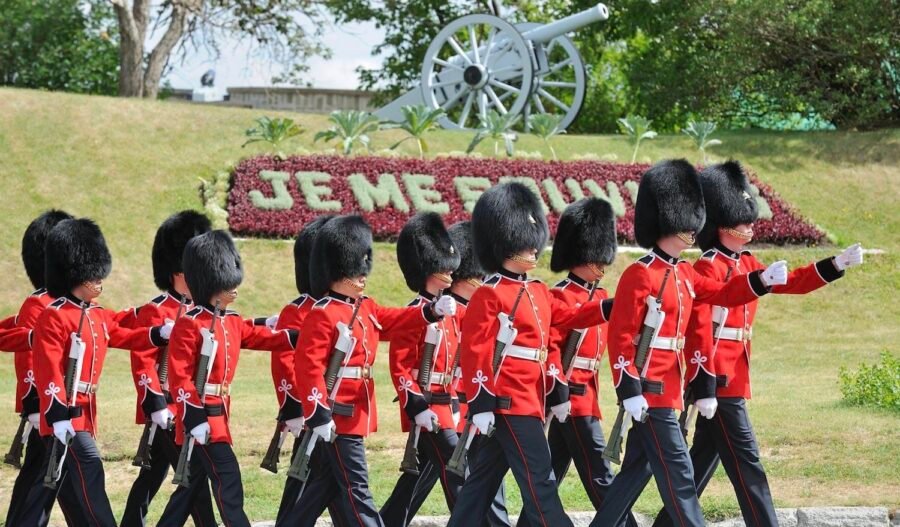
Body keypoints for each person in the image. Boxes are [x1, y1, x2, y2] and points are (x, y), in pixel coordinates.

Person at [651, 161, 864, 527]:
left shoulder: (747, 261)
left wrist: (835, 265)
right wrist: (705, 382)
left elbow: (792, 283)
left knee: (702, 463)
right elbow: (700, 327)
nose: (751, 225)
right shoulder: (707, 267)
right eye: (743, 219)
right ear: (723, 224)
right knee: (748, 463)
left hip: (735, 378)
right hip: (719, 380)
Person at [591, 159, 790, 527]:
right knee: (681, 477)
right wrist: (629, 388)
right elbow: (620, 338)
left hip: (671, 389)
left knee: (635, 474)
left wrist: (759, 282)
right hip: (649, 391)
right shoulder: (640, 273)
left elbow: (723, 292)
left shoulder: (683, 271)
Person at [447, 182, 609, 527]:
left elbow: (569, 317)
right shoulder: (489, 294)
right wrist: (480, 403)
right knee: (541, 481)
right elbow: (475, 353)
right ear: (506, 244)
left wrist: (607, 308)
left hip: (529, 397)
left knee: (480, 485)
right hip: (507, 399)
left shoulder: (536, 290)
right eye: (526, 243)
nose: (535, 250)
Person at [278, 214, 456, 527]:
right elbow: (308, 369)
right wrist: (318, 413)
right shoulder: (322, 314)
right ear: (337, 271)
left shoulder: (365, 307)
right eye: (355, 269)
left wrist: (429, 311)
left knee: (325, 486)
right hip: (336, 415)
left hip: (357, 412)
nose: (362, 276)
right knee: (357, 486)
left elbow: (396, 320)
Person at [21, 218, 173, 527]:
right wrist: (58, 414)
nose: (100, 280)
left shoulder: (96, 314)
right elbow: (48, 368)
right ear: (74, 274)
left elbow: (122, 336)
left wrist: (157, 335)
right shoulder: (55, 316)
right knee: (89, 465)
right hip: (64, 412)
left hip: (85, 410)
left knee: (69, 489)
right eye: (93, 275)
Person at [156, 230, 299, 527]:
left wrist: (294, 336)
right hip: (202, 418)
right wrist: (193, 417)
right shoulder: (188, 323)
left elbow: (259, 336)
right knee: (229, 480)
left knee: (188, 491)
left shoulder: (230, 320)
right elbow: (179, 377)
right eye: (228, 283)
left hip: (219, 415)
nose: (235, 288)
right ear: (211, 282)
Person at [516, 198, 633, 527]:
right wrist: (559, 390)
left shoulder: (599, 294)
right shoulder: (560, 295)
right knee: (601, 477)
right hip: (570, 399)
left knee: (549, 478)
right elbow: (550, 346)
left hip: (587, 397)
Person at [120, 210, 217, 527]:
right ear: (179, 268)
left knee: (152, 477)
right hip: (166, 409)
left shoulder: (201, 310)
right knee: (193, 479)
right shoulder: (157, 309)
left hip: (187, 405)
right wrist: (156, 404)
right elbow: (143, 358)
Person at [0, 210, 91, 527]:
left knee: (49, 484)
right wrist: (35, 404)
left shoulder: (72, 304)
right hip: (49, 410)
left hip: (69, 408)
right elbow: (29, 358)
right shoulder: (39, 304)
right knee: (57, 483)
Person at [381, 212, 462, 526]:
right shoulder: (414, 313)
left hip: (445, 404)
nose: (450, 273)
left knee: (417, 478)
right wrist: (415, 406)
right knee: (458, 471)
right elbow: (399, 366)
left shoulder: (451, 313)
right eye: (442, 267)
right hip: (426, 406)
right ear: (427, 269)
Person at [273, 214, 351, 526]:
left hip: (340, 410)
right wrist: (293, 407)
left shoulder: (341, 307)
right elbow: (285, 363)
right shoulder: (298, 310)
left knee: (333, 481)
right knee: (305, 478)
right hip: (310, 410)